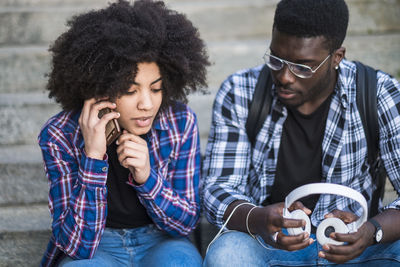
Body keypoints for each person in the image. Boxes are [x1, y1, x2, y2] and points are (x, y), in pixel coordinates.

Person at [202, 0, 400, 266]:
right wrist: (259, 218)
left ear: (336, 57)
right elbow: (218, 189)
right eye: (276, 59)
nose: (284, 76)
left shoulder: (377, 93)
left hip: (357, 246)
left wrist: (373, 231)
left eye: (302, 66)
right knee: (227, 254)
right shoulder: (240, 92)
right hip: (270, 245)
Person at [38, 0, 209, 266]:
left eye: (156, 88)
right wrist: (92, 157)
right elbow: (77, 246)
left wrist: (147, 178)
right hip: (98, 246)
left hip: (161, 239)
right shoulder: (59, 135)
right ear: (99, 87)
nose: (147, 104)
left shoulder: (178, 122)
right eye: (130, 90)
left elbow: (185, 223)